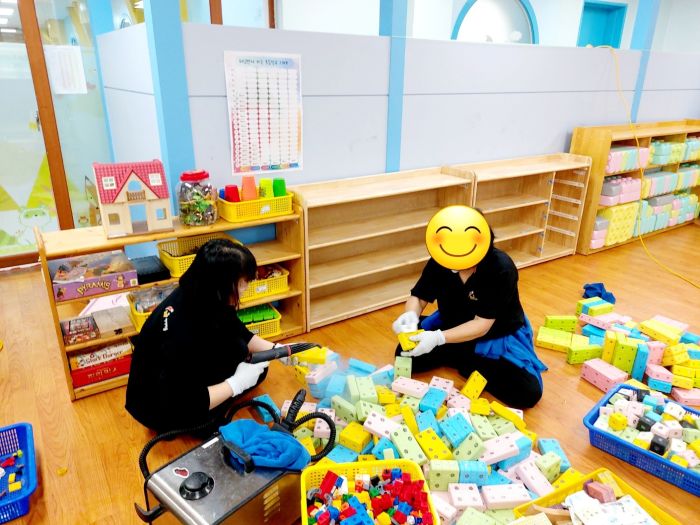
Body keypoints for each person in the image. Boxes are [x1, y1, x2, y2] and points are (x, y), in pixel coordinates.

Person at [392, 206, 547, 408]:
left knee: (528, 393)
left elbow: (482, 325)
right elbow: (419, 296)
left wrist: (438, 338)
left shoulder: (501, 268)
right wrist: (411, 316)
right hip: (451, 327)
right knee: (403, 355)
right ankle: (462, 356)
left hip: (493, 335)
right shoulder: (442, 259)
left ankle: (460, 356)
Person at [126, 238, 279, 433]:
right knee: (242, 368)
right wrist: (236, 384)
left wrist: (279, 351)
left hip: (185, 372)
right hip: (162, 406)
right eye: (242, 283)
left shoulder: (205, 294)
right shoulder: (180, 332)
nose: (245, 288)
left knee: (253, 362)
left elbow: (238, 331)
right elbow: (185, 399)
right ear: (222, 283)